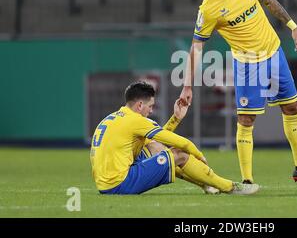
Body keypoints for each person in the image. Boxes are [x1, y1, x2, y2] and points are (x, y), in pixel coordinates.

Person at [179, 0, 297, 190]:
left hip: (274, 54)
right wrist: (187, 85)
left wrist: (292, 25)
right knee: (247, 119)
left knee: (292, 107)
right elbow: (197, 46)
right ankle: (247, 180)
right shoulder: (209, 9)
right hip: (248, 64)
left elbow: (268, 1)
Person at [90, 81, 260, 195]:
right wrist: (199, 155)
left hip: (104, 183)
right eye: (150, 106)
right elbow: (180, 142)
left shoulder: (115, 117)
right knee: (179, 154)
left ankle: (206, 185)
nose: (150, 110)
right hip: (119, 184)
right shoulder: (135, 121)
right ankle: (228, 187)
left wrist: (176, 118)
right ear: (139, 105)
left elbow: (158, 140)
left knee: (156, 148)